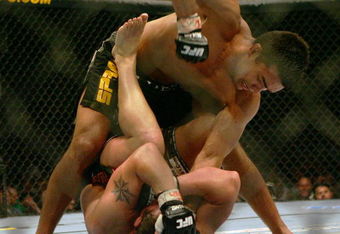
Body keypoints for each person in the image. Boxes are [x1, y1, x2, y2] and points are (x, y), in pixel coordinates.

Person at [37, 0, 309, 233]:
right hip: (128, 62)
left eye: (267, 89)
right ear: (255, 50)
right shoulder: (225, 20)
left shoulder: (244, 98)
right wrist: (189, 27)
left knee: (228, 150)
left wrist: (176, 211)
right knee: (86, 143)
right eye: (260, 79)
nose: (256, 90)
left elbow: (208, 161)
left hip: (174, 92)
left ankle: (279, 228)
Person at [80, 14, 239, 233]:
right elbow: (230, 181)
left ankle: (124, 60)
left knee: (149, 143)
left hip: (110, 167)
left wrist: (168, 201)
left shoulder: (109, 223)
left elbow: (145, 155)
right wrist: (174, 197)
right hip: (162, 160)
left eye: (159, 213)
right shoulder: (194, 229)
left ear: (138, 219)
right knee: (212, 124)